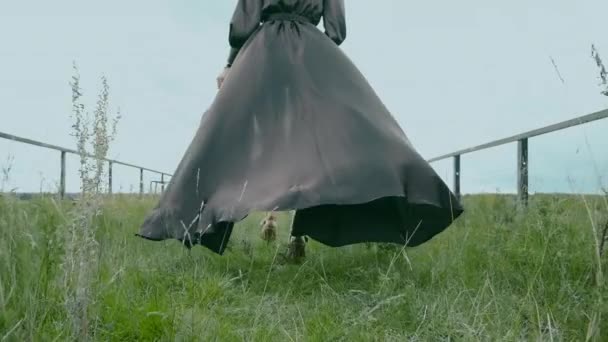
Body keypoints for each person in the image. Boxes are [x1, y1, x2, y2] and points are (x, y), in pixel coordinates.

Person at [137, 0, 464, 259]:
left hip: (265, 50)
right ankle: (295, 231)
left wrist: (231, 62)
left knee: (232, 128)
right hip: (310, 47)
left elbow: (246, 18)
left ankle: (220, 214)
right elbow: (336, 29)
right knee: (321, 139)